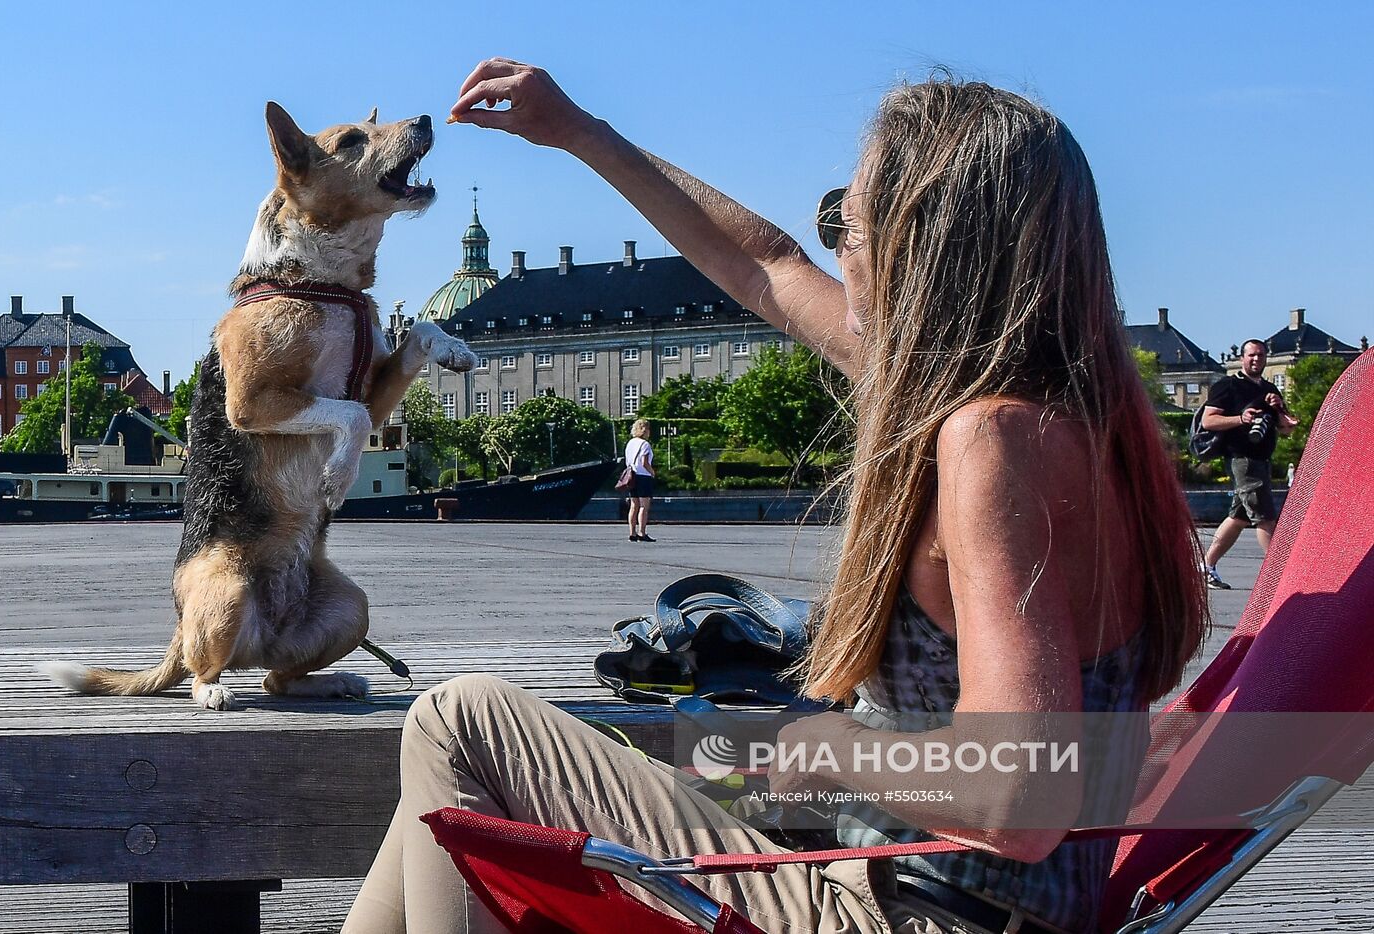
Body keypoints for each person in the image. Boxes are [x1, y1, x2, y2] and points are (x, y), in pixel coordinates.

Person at [342, 60, 1207, 934]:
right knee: (443, 807)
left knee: (457, 721)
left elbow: (1022, 798)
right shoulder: (1081, 423)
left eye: (848, 220)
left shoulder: (991, 439)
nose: (833, 244)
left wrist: (831, 752)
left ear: (921, 250)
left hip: (907, 911)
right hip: (902, 884)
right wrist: (577, 131)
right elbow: (762, 263)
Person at [1198, 339, 1298, 590]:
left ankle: (1206, 566)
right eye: (1252, 355)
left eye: (1261, 355)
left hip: (1262, 459)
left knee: (1239, 517)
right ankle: (1281, 578)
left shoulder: (1269, 389)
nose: (1256, 360)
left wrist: (1280, 409)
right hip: (1242, 459)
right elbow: (1209, 421)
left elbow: (1286, 430)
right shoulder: (1228, 386)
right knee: (1265, 518)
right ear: (1242, 358)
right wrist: (1241, 419)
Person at [624, 417, 657, 542]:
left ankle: (632, 533)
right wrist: (652, 472)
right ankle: (642, 533)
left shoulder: (630, 443)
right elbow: (644, 462)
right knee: (644, 506)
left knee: (634, 505)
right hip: (643, 476)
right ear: (645, 430)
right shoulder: (645, 444)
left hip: (632, 476)